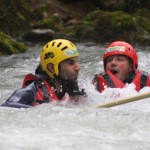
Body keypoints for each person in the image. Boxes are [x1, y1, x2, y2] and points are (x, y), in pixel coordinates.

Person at [1, 39, 86, 108]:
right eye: (71, 63)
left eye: (76, 62)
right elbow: (7, 106)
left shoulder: (77, 89)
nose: (78, 67)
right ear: (52, 68)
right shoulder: (31, 91)